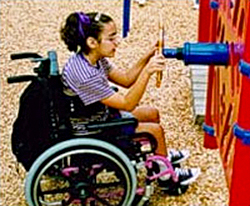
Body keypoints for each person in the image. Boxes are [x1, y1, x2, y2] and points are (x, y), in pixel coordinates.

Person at [60, 11, 200, 191]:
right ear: (92, 42)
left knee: (152, 113)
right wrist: (148, 72)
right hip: (93, 128)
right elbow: (127, 103)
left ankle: (159, 155)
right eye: (111, 38)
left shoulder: (93, 59)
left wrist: (146, 57)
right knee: (155, 130)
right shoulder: (85, 75)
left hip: (98, 115)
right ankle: (167, 179)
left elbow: (126, 79)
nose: (117, 41)